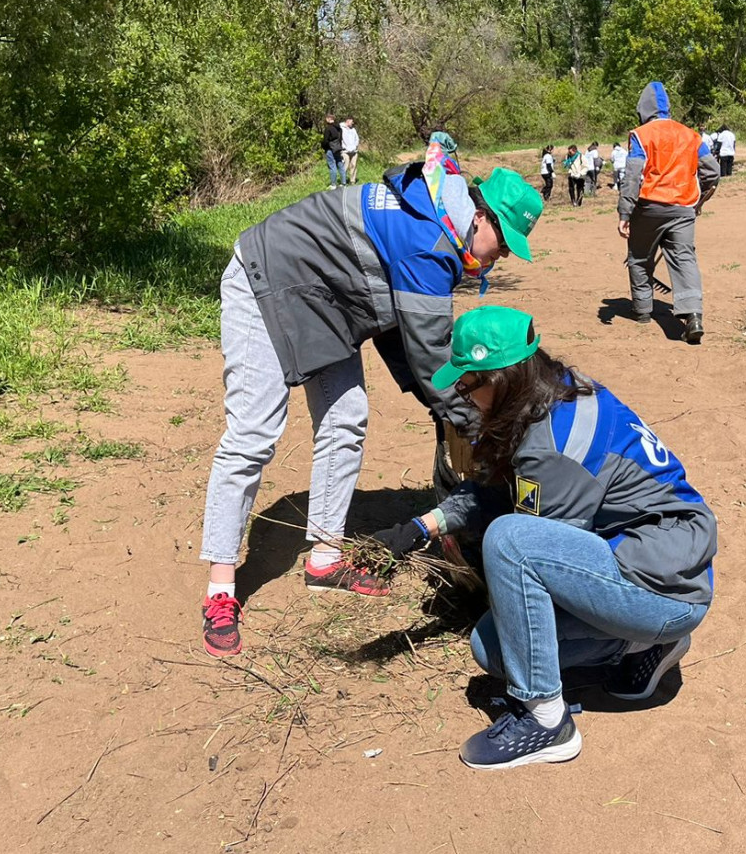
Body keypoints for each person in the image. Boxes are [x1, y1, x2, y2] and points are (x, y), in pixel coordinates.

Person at [197, 146, 545, 657]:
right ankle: (221, 588)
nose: (502, 257)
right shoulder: (428, 240)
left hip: (326, 303)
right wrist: (473, 424)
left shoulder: (437, 220)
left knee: (346, 419)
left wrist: (441, 403)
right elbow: (429, 353)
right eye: (504, 244)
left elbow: (398, 331)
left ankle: (324, 557)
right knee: (254, 433)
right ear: (480, 217)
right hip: (266, 282)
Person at [372, 306, 717, 769]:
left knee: (510, 541)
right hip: (650, 560)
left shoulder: (551, 450)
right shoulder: (553, 392)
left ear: (501, 376)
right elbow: (501, 488)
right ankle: (641, 644)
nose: (463, 395)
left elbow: (536, 551)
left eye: (468, 383)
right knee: (491, 646)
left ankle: (545, 721)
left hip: (664, 586)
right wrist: (422, 527)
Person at [618, 82, 719, 344]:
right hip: (683, 208)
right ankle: (693, 315)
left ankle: (642, 311)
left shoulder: (641, 134)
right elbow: (713, 172)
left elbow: (632, 175)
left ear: (643, 109)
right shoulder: (691, 135)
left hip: (649, 207)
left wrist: (625, 212)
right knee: (684, 259)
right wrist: (700, 200)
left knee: (640, 257)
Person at [321, 113, 346, 189]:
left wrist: (324, 147)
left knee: (332, 166)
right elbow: (340, 139)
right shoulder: (339, 129)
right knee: (340, 165)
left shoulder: (328, 129)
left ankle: (333, 184)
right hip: (338, 148)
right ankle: (343, 183)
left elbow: (325, 141)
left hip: (330, 149)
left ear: (328, 119)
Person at [341, 117, 361, 185]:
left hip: (354, 151)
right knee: (345, 166)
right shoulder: (341, 128)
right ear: (347, 121)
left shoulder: (353, 130)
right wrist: (343, 147)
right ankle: (343, 181)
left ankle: (352, 181)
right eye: (351, 121)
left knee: (353, 166)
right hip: (345, 151)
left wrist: (355, 146)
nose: (352, 123)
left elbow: (357, 139)